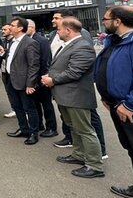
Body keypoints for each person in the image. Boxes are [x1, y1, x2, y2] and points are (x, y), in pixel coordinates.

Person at [41, 17, 104, 179]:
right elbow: (63, 66)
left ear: (68, 30)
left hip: (76, 96)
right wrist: (50, 74)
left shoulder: (83, 46)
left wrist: (52, 80)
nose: (57, 31)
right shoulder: (70, 45)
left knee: (84, 129)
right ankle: (79, 155)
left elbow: (74, 72)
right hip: (66, 96)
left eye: (59, 29)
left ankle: (94, 165)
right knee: (74, 127)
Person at [94, 6, 133, 197]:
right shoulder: (114, 40)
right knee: (130, 146)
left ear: (117, 21)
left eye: (105, 19)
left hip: (129, 107)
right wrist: (106, 96)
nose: (103, 22)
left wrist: (129, 104)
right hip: (115, 104)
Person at [0, 17, 40, 145]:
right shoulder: (12, 42)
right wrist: (2, 53)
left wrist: (30, 83)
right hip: (11, 79)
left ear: (21, 28)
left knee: (29, 108)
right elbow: (13, 58)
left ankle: (33, 133)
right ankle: (23, 129)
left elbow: (34, 65)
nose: (10, 27)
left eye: (13, 25)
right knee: (17, 107)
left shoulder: (30, 43)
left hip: (24, 82)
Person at [27, 19, 58, 138]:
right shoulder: (29, 40)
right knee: (35, 104)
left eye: (27, 27)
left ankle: (51, 127)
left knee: (46, 104)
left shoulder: (42, 41)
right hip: (33, 79)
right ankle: (39, 124)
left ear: (32, 27)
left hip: (42, 78)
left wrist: (43, 77)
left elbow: (45, 60)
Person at [0, 24, 16, 119]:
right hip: (4, 70)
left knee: (16, 91)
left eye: (5, 29)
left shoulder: (14, 41)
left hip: (13, 71)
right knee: (9, 91)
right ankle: (13, 109)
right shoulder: (3, 41)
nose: (2, 31)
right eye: (2, 29)